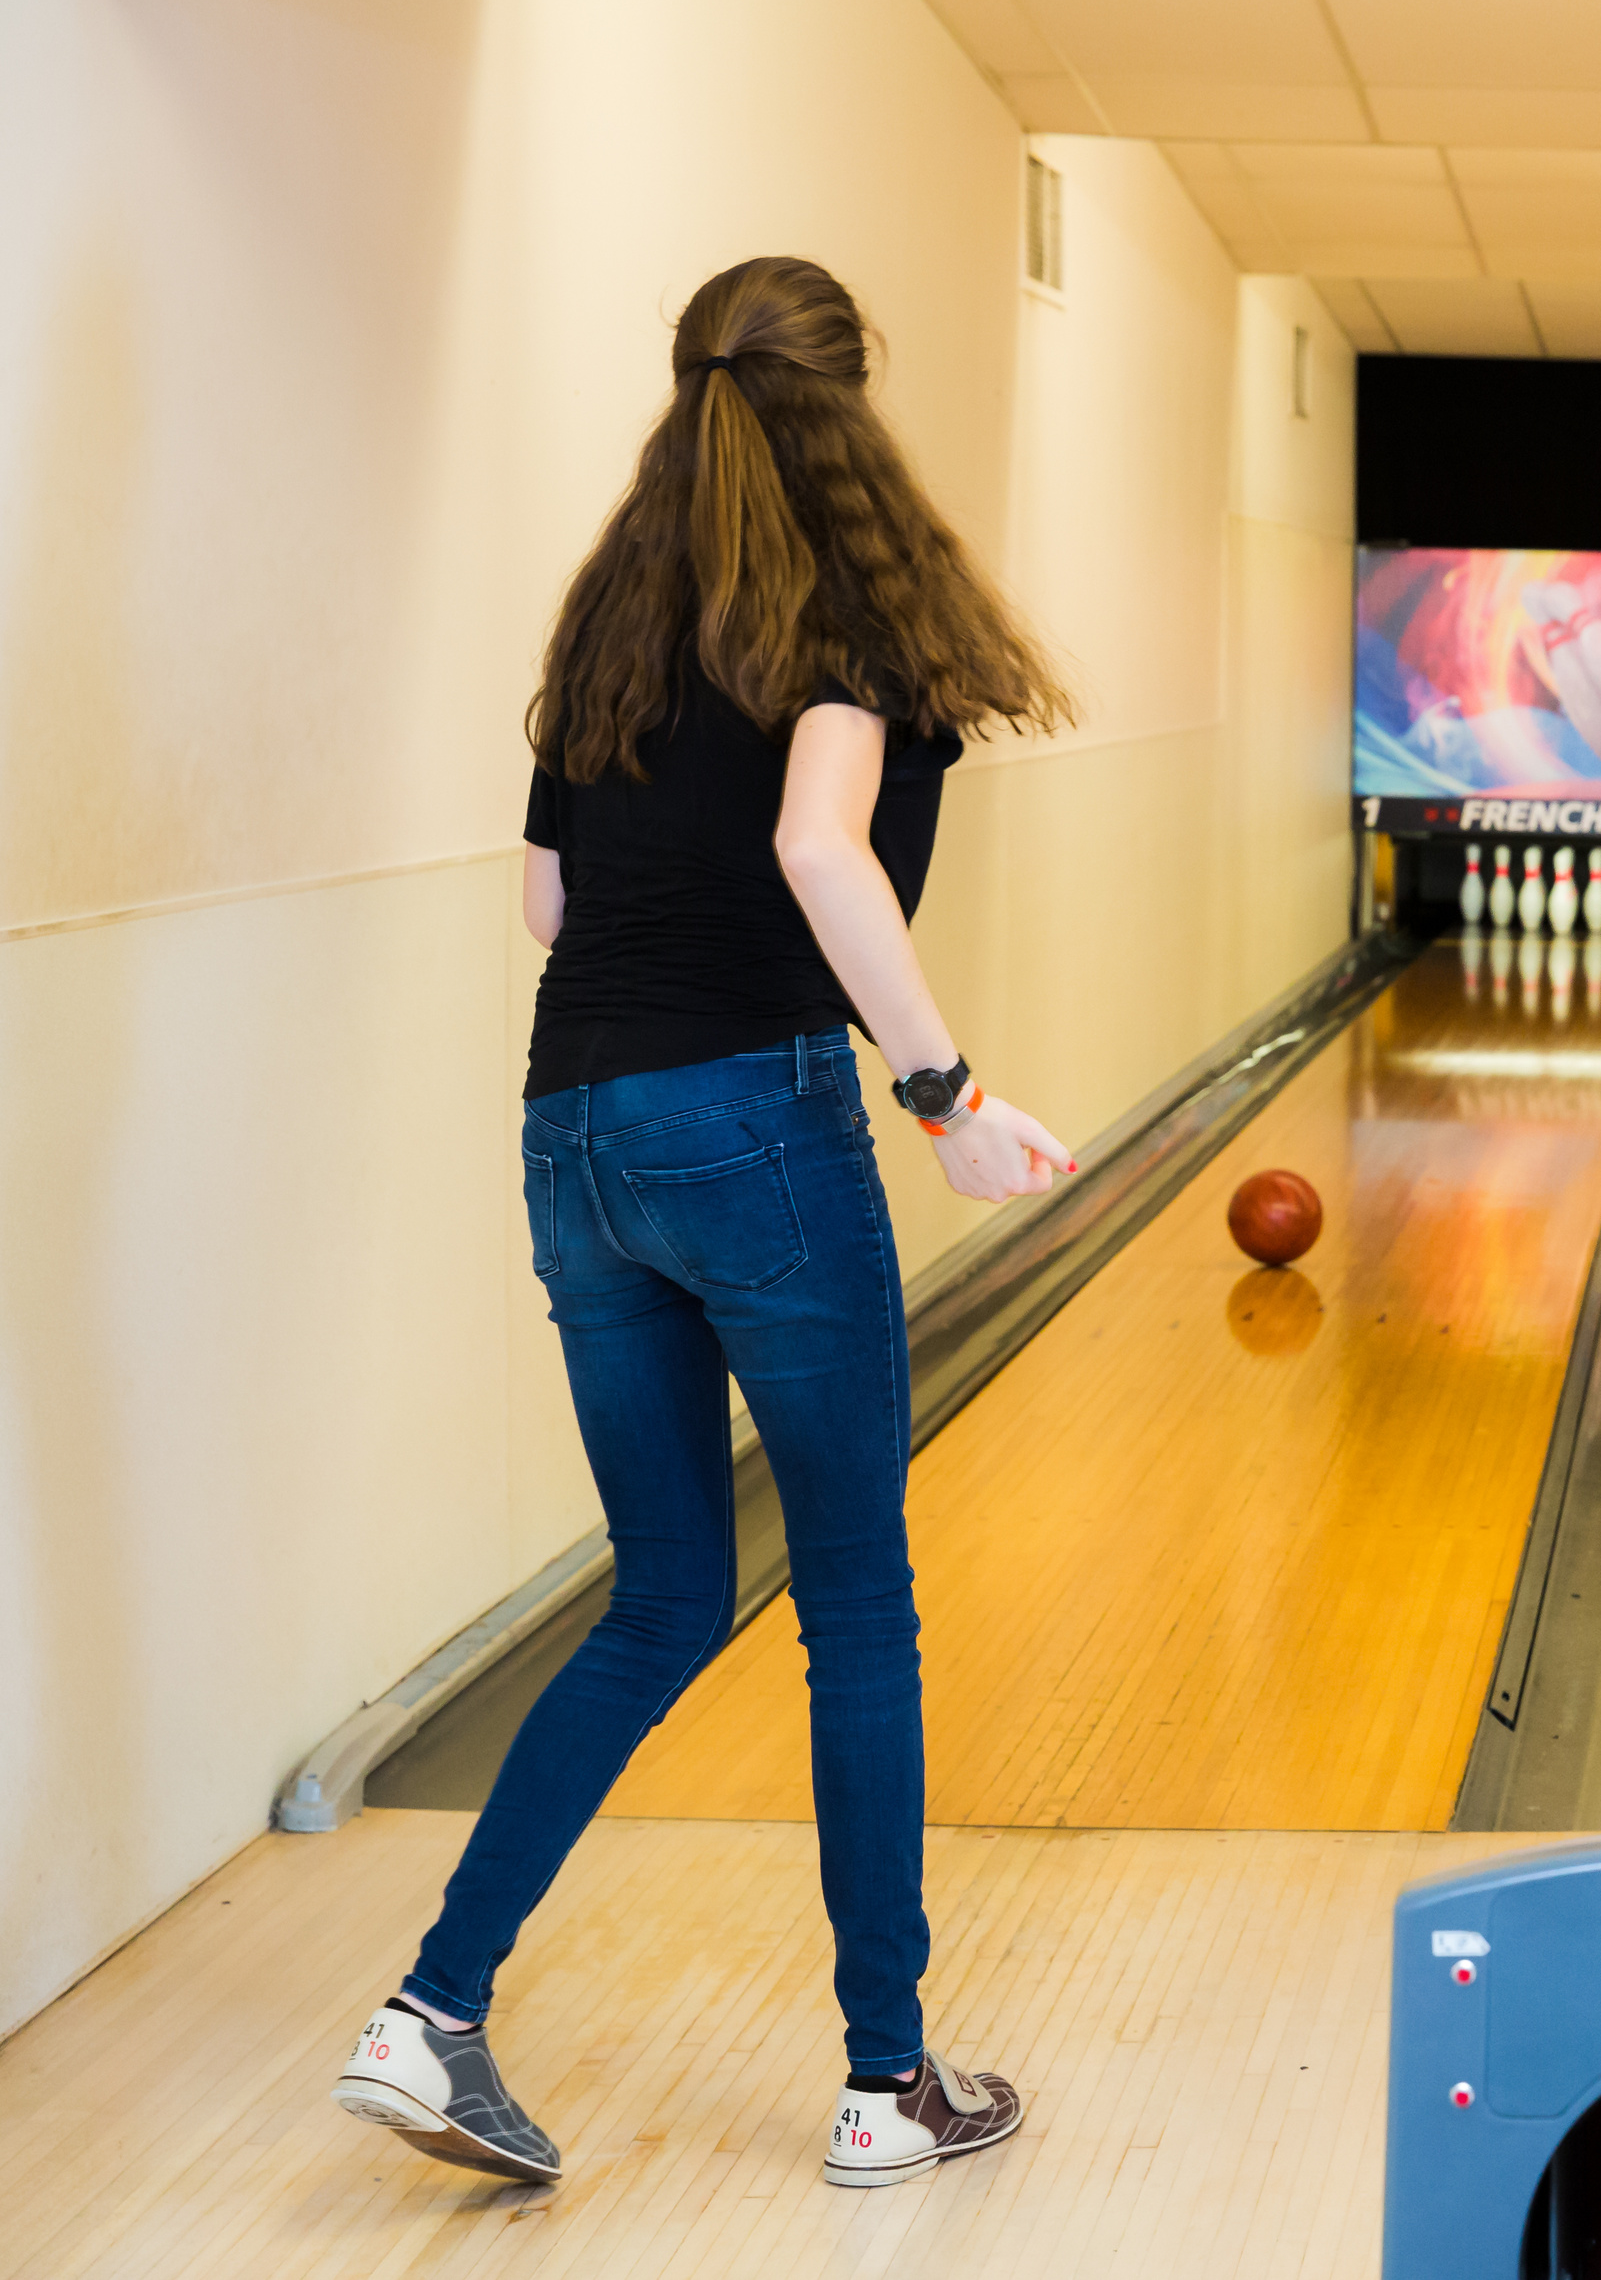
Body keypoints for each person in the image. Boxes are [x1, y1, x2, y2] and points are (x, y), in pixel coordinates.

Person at [328, 257, 1079, 2192]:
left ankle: (431, 2011)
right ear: (857, 401)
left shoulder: (614, 612)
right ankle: (884, 2082)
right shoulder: (844, 603)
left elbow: (549, 909)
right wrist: (950, 1098)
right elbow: (819, 848)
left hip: (573, 1134)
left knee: (662, 1597)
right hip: (751, 1117)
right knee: (854, 1604)